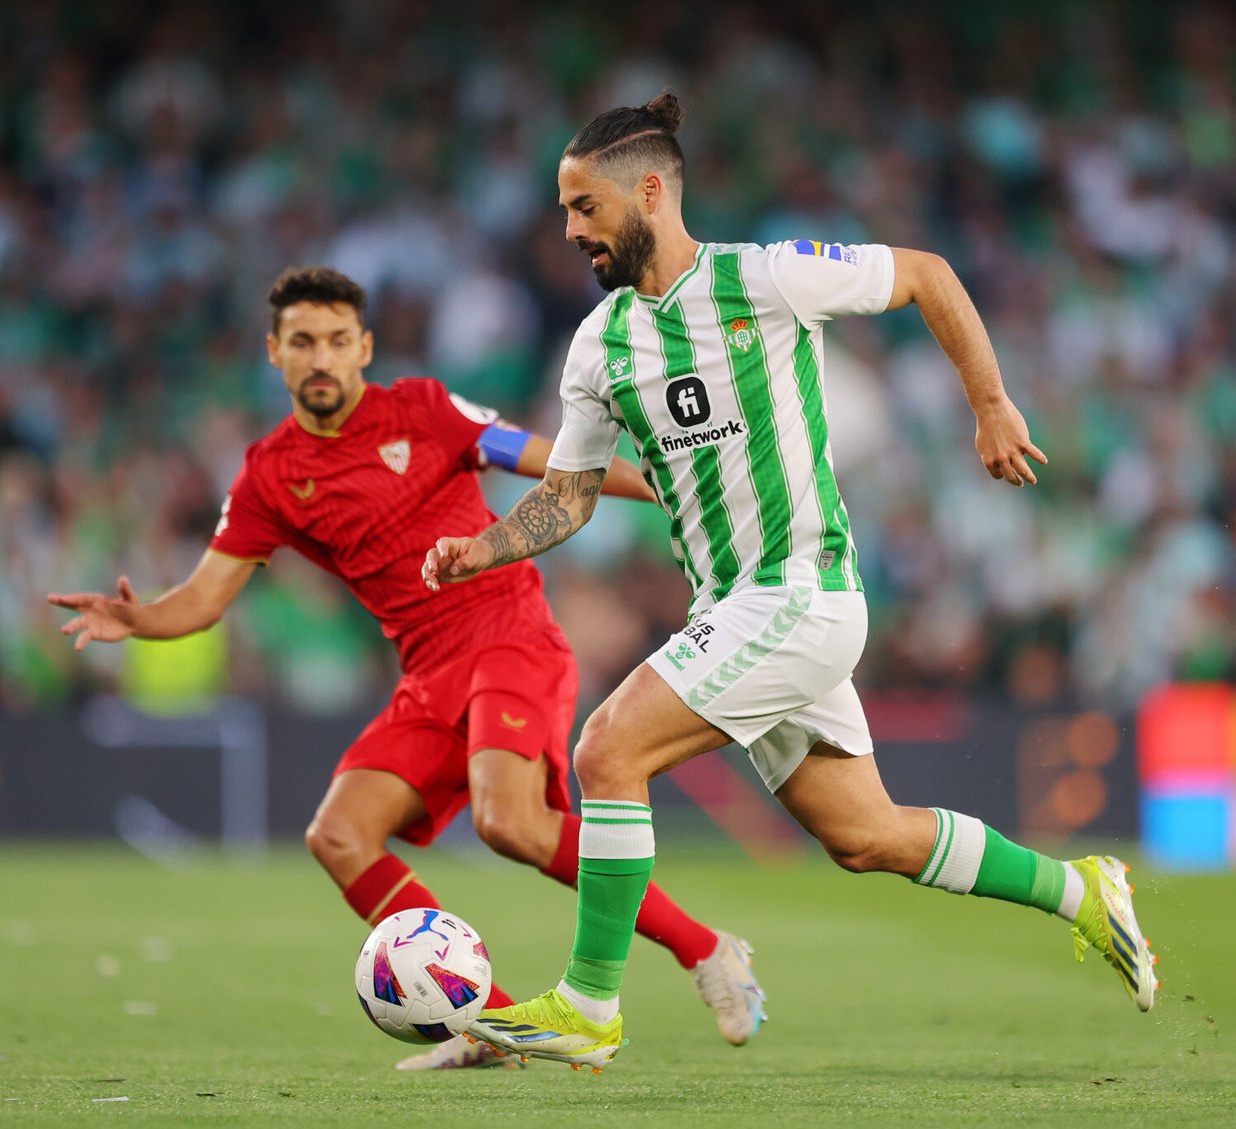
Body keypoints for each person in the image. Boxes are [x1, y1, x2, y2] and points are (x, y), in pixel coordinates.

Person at [422, 94, 1158, 1073]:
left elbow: (927, 275)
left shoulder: (762, 279)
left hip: (799, 593)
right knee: (865, 835)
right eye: (565, 211)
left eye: (584, 206)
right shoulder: (600, 344)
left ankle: (590, 1003)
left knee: (605, 749)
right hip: (735, 612)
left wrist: (988, 405)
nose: (570, 230)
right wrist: (485, 547)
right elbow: (571, 497)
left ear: (649, 191)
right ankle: (1083, 891)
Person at [48, 265, 767, 1071]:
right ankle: (486, 1024)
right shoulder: (268, 475)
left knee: (508, 822)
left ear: (364, 348)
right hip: (427, 671)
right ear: (274, 353)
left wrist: (675, 488)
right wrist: (138, 617)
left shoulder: (422, 409)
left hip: (507, 633)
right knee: (339, 835)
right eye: (301, 343)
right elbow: (206, 598)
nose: (319, 358)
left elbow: (550, 464)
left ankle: (708, 950)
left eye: (334, 341)